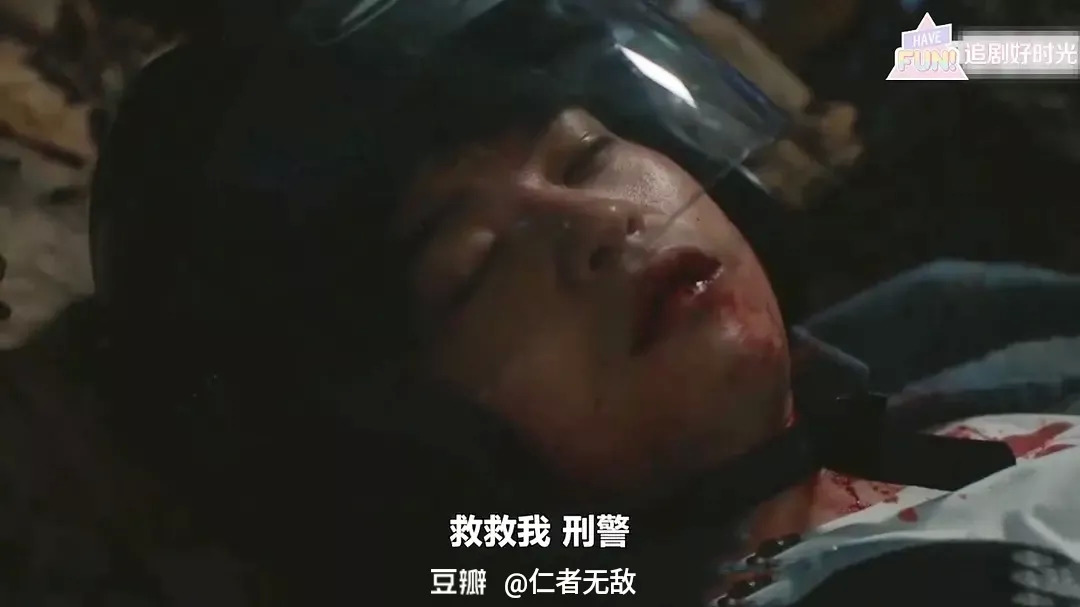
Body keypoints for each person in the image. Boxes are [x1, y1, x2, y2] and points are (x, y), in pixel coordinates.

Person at [6, 0, 1080, 606]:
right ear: (402, 458)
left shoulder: (960, 330)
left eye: (587, 153)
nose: (603, 220)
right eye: (478, 266)